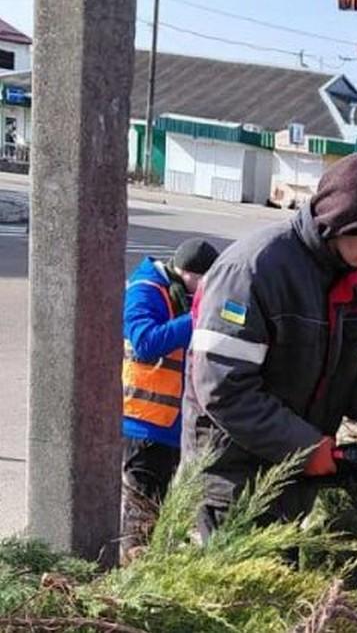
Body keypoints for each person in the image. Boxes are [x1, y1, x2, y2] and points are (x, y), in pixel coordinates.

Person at [182, 152, 357, 539]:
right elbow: (223, 386)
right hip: (231, 488)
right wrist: (303, 448)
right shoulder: (252, 271)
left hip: (291, 485)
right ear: (343, 220)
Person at [121, 237, 220, 559]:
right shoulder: (145, 289)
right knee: (141, 519)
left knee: (154, 513)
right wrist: (199, 318)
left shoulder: (176, 291)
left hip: (170, 425)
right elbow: (145, 341)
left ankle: (144, 567)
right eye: (203, 284)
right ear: (188, 273)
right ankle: (134, 575)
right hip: (145, 423)